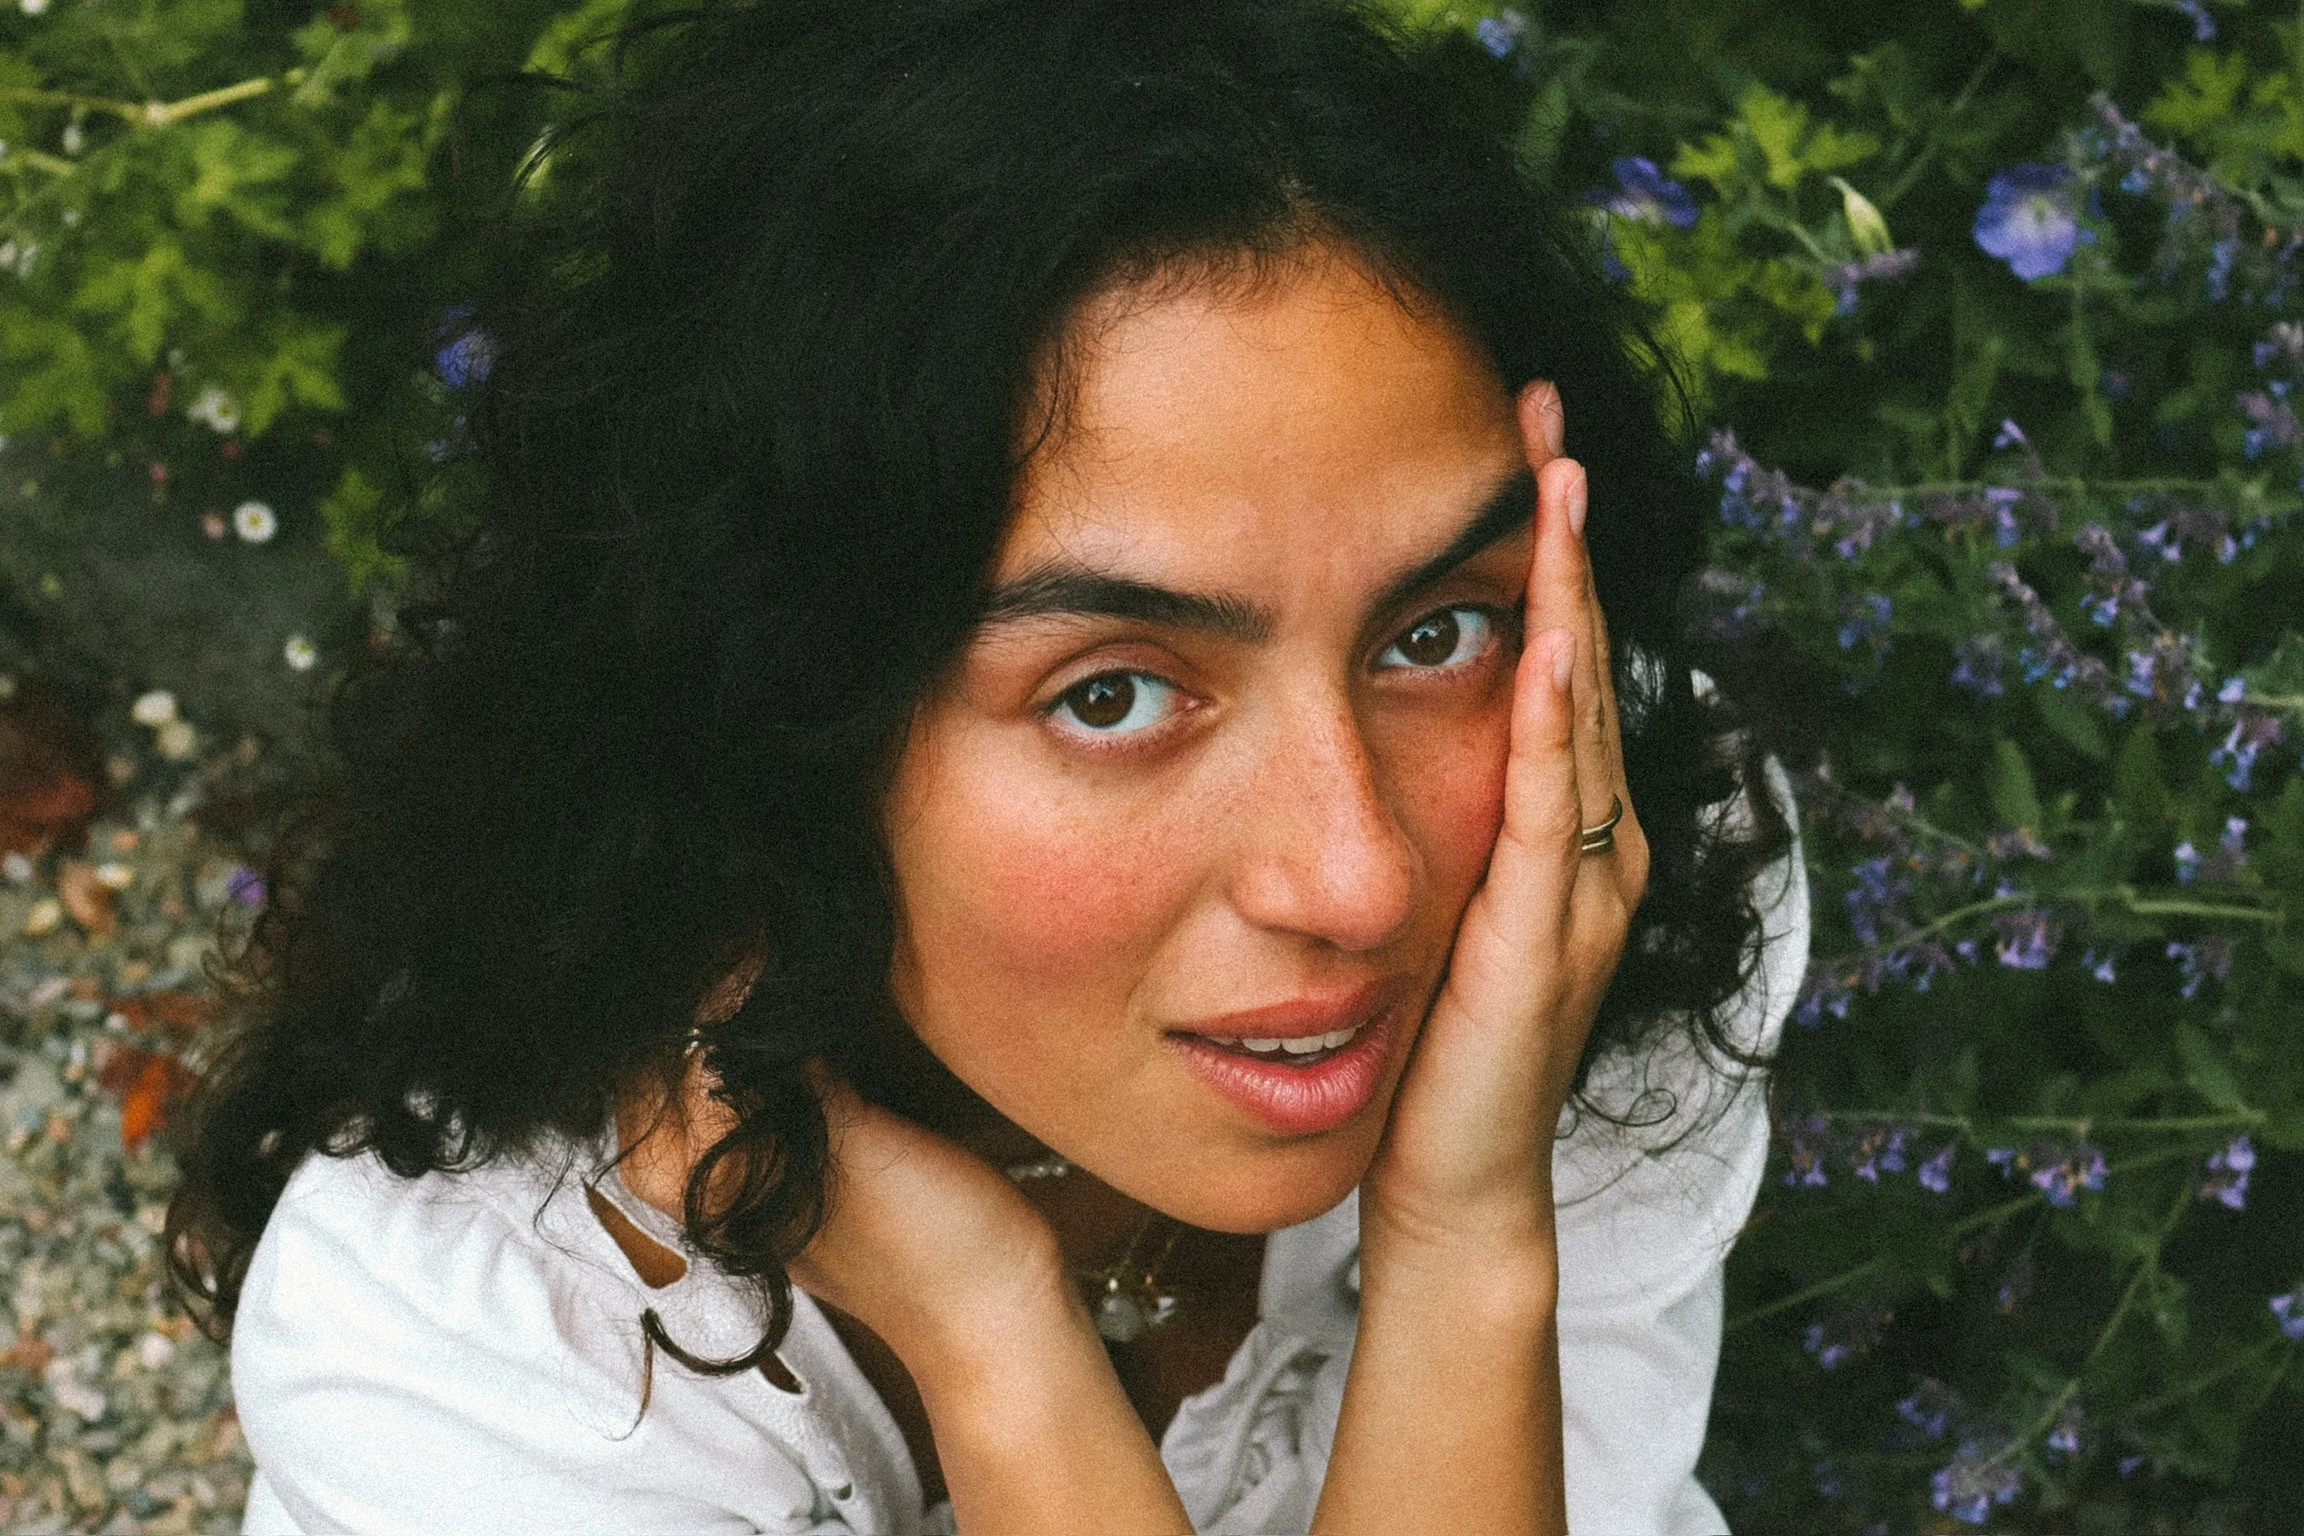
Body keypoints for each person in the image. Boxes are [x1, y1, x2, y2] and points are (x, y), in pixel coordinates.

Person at [166, 1, 1807, 1531]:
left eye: (1433, 634)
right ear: (778, 725)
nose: (1362, 877)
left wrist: (1468, 1239)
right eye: (1110, 695)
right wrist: (993, 1346)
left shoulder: (1587, 876)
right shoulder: (491, 1360)